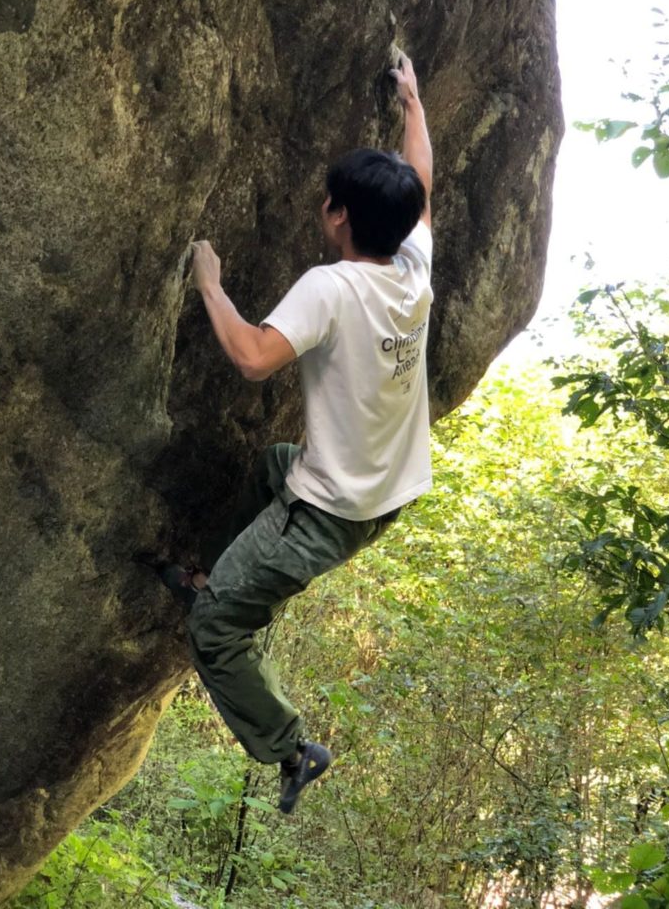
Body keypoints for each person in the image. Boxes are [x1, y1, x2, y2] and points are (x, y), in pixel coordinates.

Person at [163, 52, 433, 814]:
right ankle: (215, 575)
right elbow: (422, 179)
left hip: (325, 512)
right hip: (385, 493)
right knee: (271, 464)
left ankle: (292, 747)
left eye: (329, 200)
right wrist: (412, 104)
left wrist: (211, 285)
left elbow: (254, 358)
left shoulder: (333, 286)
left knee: (215, 632)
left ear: (338, 215)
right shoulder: (414, 265)